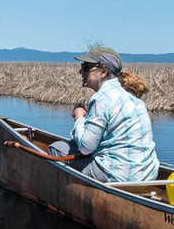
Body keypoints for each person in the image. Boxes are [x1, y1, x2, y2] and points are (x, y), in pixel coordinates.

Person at [48, 45, 159, 182]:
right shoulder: (131, 96)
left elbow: (85, 147)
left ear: (103, 72)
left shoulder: (102, 98)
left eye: (86, 66)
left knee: (57, 148)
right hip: (148, 174)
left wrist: (79, 117)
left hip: (118, 175)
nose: (81, 71)